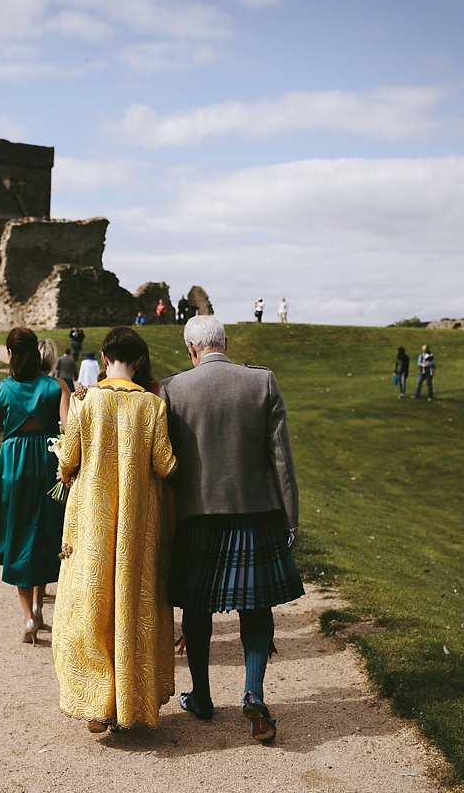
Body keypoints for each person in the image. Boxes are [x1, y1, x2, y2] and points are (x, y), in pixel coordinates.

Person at [160, 315, 304, 743]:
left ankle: (202, 696)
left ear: (191, 349)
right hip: (255, 513)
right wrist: (291, 517)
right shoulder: (261, 382)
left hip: (197, 515)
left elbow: (166, 467)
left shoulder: (173, 388)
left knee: (197, 607)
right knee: (256, 607)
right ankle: (254, 696)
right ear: (226, 342)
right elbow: (282, 458)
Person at [53, 327, 178, 733]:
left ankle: (98, 702)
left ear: (105, 358)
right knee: (133, 601)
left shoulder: (85, 399)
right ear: (138, 361)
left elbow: (69, 458)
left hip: (94, 516)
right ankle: (133, 699)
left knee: (92, 601)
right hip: (138, 521)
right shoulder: (151, 405)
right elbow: (165, 465)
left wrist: (63, 464)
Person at [0, 327, 72, 646]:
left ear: (9, 354)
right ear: (37, 353)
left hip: (14, 466)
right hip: (47, 463)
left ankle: (28, 616)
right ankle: (38, 604)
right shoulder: (56, 386)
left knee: (18, 533)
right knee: (44, 529)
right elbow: (70, 430)